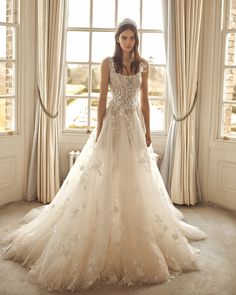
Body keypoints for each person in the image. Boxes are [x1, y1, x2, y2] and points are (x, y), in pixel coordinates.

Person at [2, 18, 207, 292]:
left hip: (133, 125)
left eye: (132, 37)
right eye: (123, 37)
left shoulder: (143, 66)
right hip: (111, 124)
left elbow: (144, 101)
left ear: (136, 40)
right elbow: (100, 100)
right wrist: (98, 132)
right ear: (117, 39)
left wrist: (147, 130)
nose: (128, 42)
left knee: (135, 175)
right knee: (105, 173)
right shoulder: (107, 63)